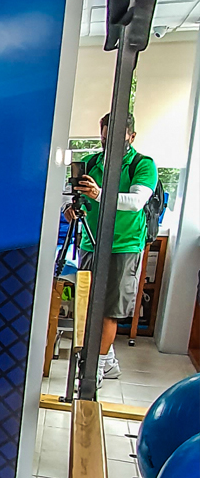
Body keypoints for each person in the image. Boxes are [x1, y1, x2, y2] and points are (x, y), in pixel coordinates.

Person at [64, 111, 158, 383]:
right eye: (105, 138)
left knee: (110, 309)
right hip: (90, 242)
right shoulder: (92, 162)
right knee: (88, 306)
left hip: (123, 245)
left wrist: (99, 194)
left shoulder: (142, 165)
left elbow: (136, 202)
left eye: (117, 138)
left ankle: (97, 367)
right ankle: (108, 360)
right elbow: (77, 199)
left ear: (132, 136)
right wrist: (71, 209)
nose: (109, 144)